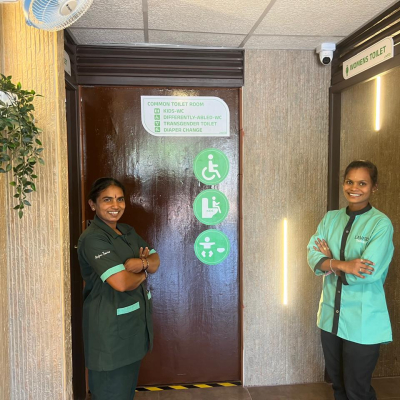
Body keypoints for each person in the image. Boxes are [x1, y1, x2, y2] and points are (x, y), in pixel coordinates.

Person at [307, 160, 394, 400]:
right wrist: (342, 265)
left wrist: (329, 262)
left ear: (374, 187)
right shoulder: (330, 219)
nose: (354, 188)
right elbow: (312, 255)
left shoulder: (380, 224)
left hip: (363, 321)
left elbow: (366, 272)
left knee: (357, 390)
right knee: (338, 386)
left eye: (362, 183)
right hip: (330, 318)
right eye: (349, 182)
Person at [77, 177, 160, 400]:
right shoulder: (93, 239)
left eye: (120, 199)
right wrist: (145, 271)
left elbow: (155, 260)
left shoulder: (127, 231)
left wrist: (141, 263)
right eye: (107, 200)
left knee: (125, 392)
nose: (115, 205)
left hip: (131, 328)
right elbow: (121, 282)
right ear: (92, 204)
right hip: (110, 333)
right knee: (111, 392)